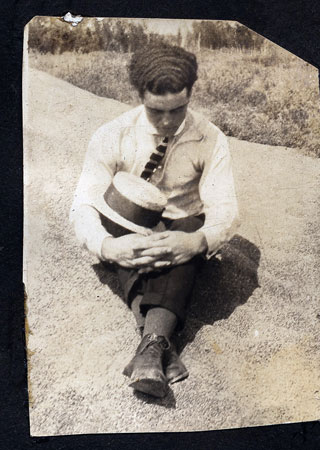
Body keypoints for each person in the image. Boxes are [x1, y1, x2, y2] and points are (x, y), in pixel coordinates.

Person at [70, 43, 239, 398]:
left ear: (190, 94)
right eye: (155, 111)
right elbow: (83, 204)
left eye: (177, 110)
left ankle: (150, 346)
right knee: (117, 220)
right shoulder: (112, 133)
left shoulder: (210, 138)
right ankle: (160, 347)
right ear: (139, 96)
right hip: (128, 229)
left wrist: (197, 242)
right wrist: (108, 246)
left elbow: (225, 209)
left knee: (189, 228)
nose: (166, 122)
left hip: (182, 229)